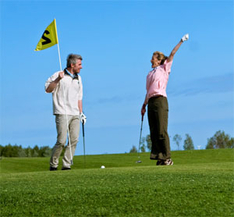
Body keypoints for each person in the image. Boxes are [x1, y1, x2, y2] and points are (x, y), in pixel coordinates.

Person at [141, 34, 189, 166]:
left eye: (153, 58)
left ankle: (167, 157)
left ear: (158, 60)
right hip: (151, 102)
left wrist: (181, 41)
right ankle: (159, 157)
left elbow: (172, 53)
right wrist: (144, 105)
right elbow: (148, 91)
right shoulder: (149, 74)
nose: (151, 60)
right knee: (154, 131)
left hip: (161, 101)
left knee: (162, 130)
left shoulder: (164, 68)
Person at [45, 54, 87, 171]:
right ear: (72, 65)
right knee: (61, 141)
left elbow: (79, 97)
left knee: (74, 139)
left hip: (75, 113)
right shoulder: (58, 75)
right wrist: (58, 79)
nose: (81, 67)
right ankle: (53, 164)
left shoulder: (78, 78)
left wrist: (81, 113)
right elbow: (48, 89)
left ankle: (66, 165)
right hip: (62, 112)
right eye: (79, 64)